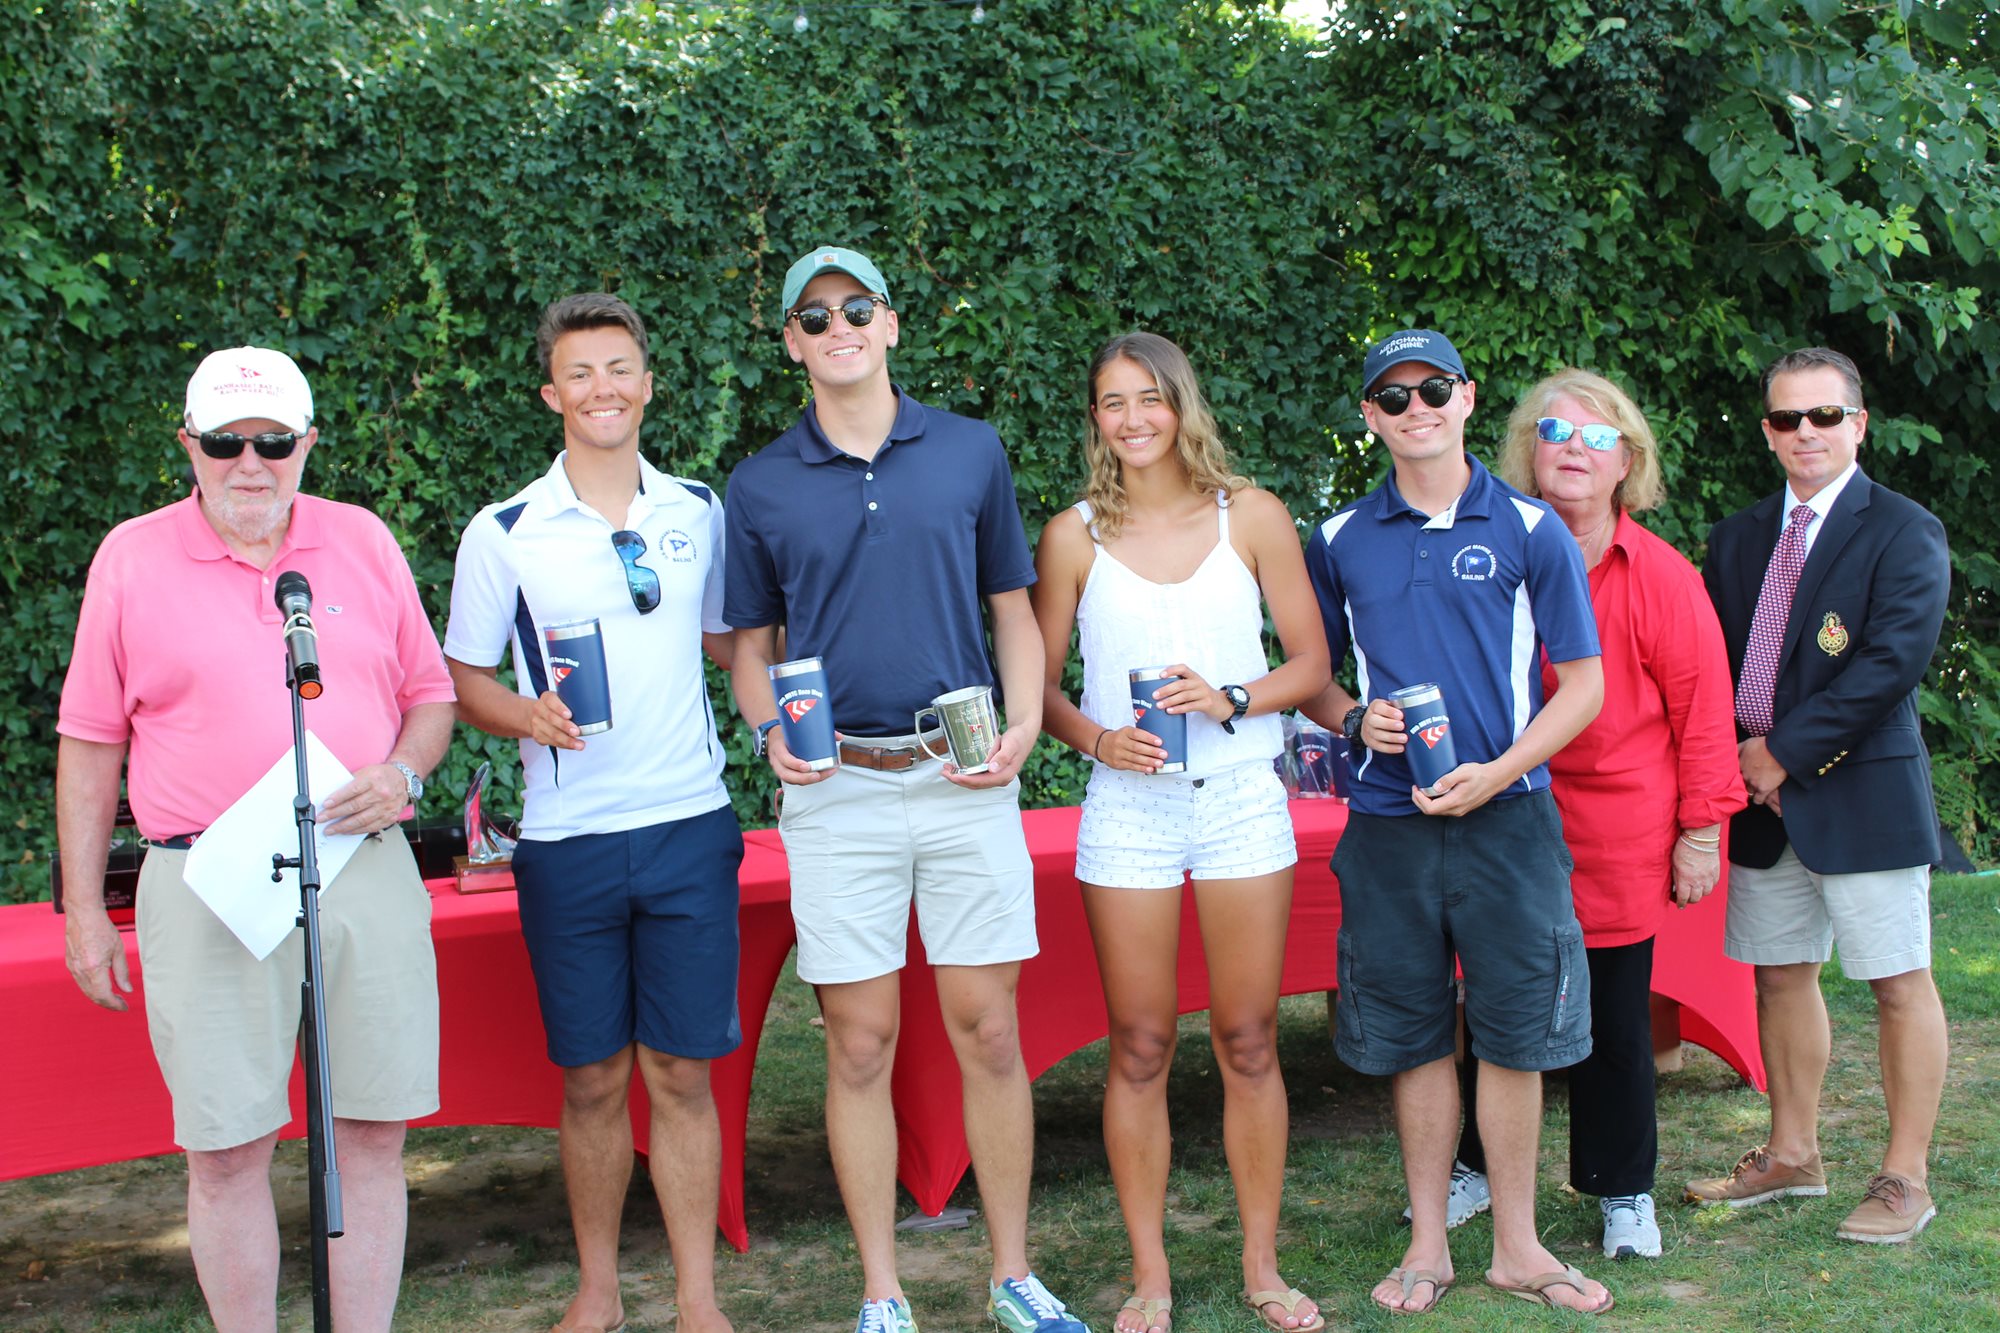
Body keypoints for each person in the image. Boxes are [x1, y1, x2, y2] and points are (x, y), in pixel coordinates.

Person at [724, 246, 1086, 1333]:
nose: (837, 326)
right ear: (791, 342)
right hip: (836, 788)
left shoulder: (968, 450)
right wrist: (766, 733)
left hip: (962, 774)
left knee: (989, 1031)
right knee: (859, 1043)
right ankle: (882, 1293)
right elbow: (750, 648)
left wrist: (1025, 726)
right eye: (814, 315)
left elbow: (1012, 609)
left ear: (889, 323)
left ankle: (1013, 1276)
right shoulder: (760, 482)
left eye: (856, 307)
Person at [57, 346, 455, 1331]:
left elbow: (431, 696)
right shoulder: (130, 556)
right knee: (226, 1147)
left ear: (306, 444)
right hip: (205, 877)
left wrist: (404, 773)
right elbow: (91, 743)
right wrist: (84, 911)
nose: (250, 462)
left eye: (273, 442)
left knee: (373, 1132)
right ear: (187, 444)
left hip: (360, 855)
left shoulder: (361, 539)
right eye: (226, 441)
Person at [444, 293, 741, 1333]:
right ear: (551, 394)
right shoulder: (505, 532)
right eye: (579, 373)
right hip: (568, 843)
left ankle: (698, 1300)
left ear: (647, 384)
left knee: (683, 1072)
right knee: (592, 1080)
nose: (601, 389)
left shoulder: (697, 511)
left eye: (618, 368)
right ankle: (600, 1290)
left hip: (689, 826)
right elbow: (461, 679)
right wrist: (525, 712)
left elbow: (733, 643)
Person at [1302, 329, 1612, 1315]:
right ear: (1369, 416)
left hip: (1507, 818)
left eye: (1432, 389)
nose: (1416, 409)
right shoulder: (1337, 537)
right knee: (1412, 1033)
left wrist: (1500, 773)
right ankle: (1429, 1242)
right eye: (1393, 397)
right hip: (1387, 823)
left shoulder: (1530, 526)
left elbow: (1584, 685)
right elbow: (1310, 678)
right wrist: (1355, 718)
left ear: (1467, 397)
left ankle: (1517, 1245)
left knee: (1516, 1031)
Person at [1030, 333, 1332, 1333]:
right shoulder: (1071, 535)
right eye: (1112, 402)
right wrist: (1096, 738)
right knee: (1140, 1043)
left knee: (1248, 1037)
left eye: (1149, 399)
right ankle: (1149, 1276)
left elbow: (1310, 663)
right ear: (1094, 418)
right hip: (1130, 809)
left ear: (1181, 405)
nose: (1132, 419)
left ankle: (1261, 1266)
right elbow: (1035, 683)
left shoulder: (1251, 514)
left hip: (1240, 795)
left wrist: (1231, 695)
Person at [1438, 369, 1746, 1259]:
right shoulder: (1483, 552)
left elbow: (1703, 712)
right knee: (1494, 1005)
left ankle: (1622, 1189)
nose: (1575, 448)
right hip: (1500, 820)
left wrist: (1701, 831)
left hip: (1616, 831)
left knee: (1614, 1020)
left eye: (1598, 436)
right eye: (1556, 431)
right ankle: (1475, 1165)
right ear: (1527, 452)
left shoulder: (1663, 577)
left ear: (1626, 463)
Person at [1686, 347, 1951, 1244]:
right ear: (1767, 431)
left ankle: (1905, 1177)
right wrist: (1736, 763)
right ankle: (1792, 1153)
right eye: (1787, 417)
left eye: (1825, 415)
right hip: (1761, 803)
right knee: (1780, 972)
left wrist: (1781, 754)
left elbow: (1891, 663)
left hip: (1861, 795)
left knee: (1897, 982)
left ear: (1858, 424)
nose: (1806, 431)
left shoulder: (1904, 529)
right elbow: (1712, 663)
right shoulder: (1738, 536)